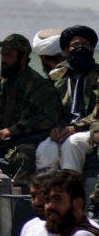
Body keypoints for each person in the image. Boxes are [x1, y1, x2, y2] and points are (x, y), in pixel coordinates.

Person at [0, 34, 63, 184]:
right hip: (1, 141)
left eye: (9, 55)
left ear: (23, 58)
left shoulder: (39, 86)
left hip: (28, 140)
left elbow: (48, 117)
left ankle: (18, 201)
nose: (3, 60)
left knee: (23, 157)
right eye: (2, 54)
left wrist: (15, 129)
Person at [35, 26, 99, 174]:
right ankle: (47, 191)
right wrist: (55, 128)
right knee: (45, 149)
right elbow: (49, 109)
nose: (80, 48)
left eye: (85, 45)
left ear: (92, 48)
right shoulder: (57, 77)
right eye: (75, 45)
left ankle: (70, 188)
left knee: (73, 144)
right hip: (64, 130)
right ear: (66, 50)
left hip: (90, 129)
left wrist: (75, 127)